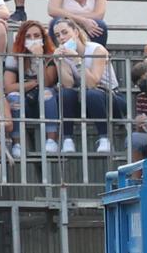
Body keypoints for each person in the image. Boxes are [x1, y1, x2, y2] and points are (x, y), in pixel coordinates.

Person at [48, 18, 120, 155]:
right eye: (57, 36)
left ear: (75, 32)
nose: (62, 38)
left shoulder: (96, 50)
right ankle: (67, 139)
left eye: (65, 33)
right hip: (85, 99)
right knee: (64, 93)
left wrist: (77, 59)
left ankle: (105, 138)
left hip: (110, 98)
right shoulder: (66, 54)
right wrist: (59, 62)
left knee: (92, 93)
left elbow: (93, 83)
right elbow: (68, 84)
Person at [3, 20, 60, 157]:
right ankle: (17, 143)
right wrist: (34, 83)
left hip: (45, 103)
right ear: (22, 39)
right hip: (23, 104)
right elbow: (9, 87)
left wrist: (39, 58)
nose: (33, 40)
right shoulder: (14, 57)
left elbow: (47, 82)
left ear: (43, 38)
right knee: (14, 97)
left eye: (36, 36)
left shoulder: (50, 56)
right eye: (28, 37)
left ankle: (51, 140)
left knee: (47, 93)